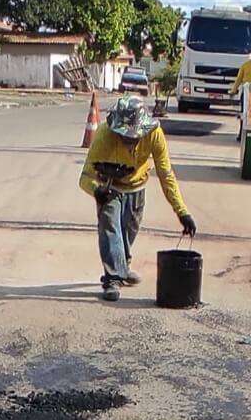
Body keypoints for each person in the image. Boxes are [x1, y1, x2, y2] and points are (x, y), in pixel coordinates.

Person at [79, 96, 196, 302]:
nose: (129, 140)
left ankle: (122, 265)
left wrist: (182, 211)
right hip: (109, 186)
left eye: (133, 136)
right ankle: (112, 277)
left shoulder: (155, 135)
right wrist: (96, 191)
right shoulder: (104, 134)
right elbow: (85, 177)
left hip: (137, 186)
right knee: (110, 227)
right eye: (124, 136)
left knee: (128, 231)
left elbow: (166, 174)